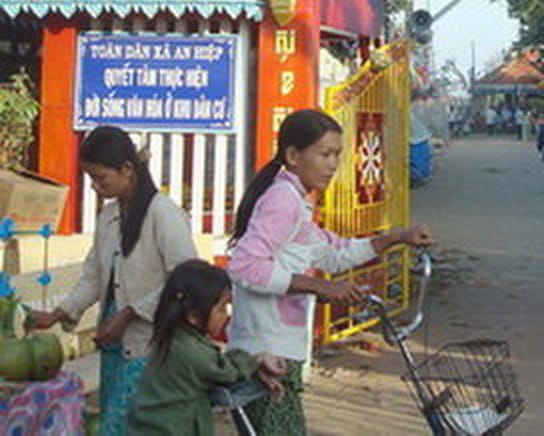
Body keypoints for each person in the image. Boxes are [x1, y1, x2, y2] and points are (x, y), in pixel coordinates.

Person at [228, 109, 434, 433]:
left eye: (337, 155)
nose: (333, 165)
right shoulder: (284, 200)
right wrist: (316, 286)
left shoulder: (296, 199)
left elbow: (334, 253)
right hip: (265, 351)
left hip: (280, 346)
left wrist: (397, 237)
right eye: (325, 154)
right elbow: (244, 265)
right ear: (293, 155)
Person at [27, 126, 197, 435]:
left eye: (100, 178)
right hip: (116, 341)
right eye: (91, 178)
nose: (94, 186)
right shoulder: (108, 217)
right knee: (114, 423)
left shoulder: (164, 214)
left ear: (127, 170)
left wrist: (130, 313)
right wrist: (58, 314)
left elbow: (186, 280)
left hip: (152, 345)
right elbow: (93, 276)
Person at [127, 260, 286, 435]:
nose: (226, 315)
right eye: (221, 308)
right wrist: (258, 360)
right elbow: (227, 371)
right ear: (194, 316)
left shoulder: (175, 338)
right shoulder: (191, 352)